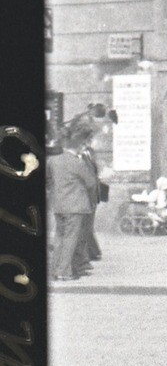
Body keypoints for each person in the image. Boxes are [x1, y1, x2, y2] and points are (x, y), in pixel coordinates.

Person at [47, 116, 101, 282]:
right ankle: (64, 272)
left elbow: (48, 181)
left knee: (59, 238)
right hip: (76, 207)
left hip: (58, 206)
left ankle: (55, 271)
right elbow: (91, 183)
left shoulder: (53, 160)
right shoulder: (77, 163)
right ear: (77, 147)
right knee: (71, 239)